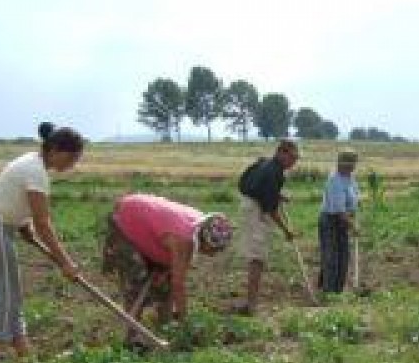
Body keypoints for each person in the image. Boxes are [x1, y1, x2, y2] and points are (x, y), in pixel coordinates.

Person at [0, 122, 84, 360]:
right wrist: (65, 262)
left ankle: (23, 351)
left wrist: (24, 227)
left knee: (12, 292)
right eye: (72, 159)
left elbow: (13, 199)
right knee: (7, 293)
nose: (73, 165)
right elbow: (43, 224)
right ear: (56, 151)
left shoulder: (32, 162)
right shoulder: (35, 173)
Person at [102, 193, 233, 346]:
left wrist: (164, 271)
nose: (213, 255)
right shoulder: (184, 240)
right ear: (204, 241)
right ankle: (132, 337)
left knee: (165, 283)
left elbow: (172, 272)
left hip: (148, 223)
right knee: (136, 280)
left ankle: (165, 328)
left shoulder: (199, 226)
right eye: (212, 250)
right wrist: (185, 324)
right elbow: (179, 285)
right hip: (127, 218)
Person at [235, 138, 300, 314]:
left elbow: (257, 187)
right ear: (281, 152)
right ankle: (251, 304)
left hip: (250, 206)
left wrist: (278, 196)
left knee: (258, 257)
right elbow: (271, 210)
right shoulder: (274, 172)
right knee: (257, 258)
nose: (293, 162)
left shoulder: (267, 165)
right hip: (255, 212)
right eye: (292, 158)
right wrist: (287, 230)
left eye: (296, 159)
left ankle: (251, 302)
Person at [318, 149, 360, 293]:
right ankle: (328, 291)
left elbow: (354, 200)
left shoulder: (351, 178)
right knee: (331, 257)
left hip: (344, 220)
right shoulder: (334, 180)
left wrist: (353, 216)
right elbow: (339, 211)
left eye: (352, 164)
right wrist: (353, 226)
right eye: (347, 164)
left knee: (344, 257)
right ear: (340, 164)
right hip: (331, 220)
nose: (350, 167)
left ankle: (338, 291)